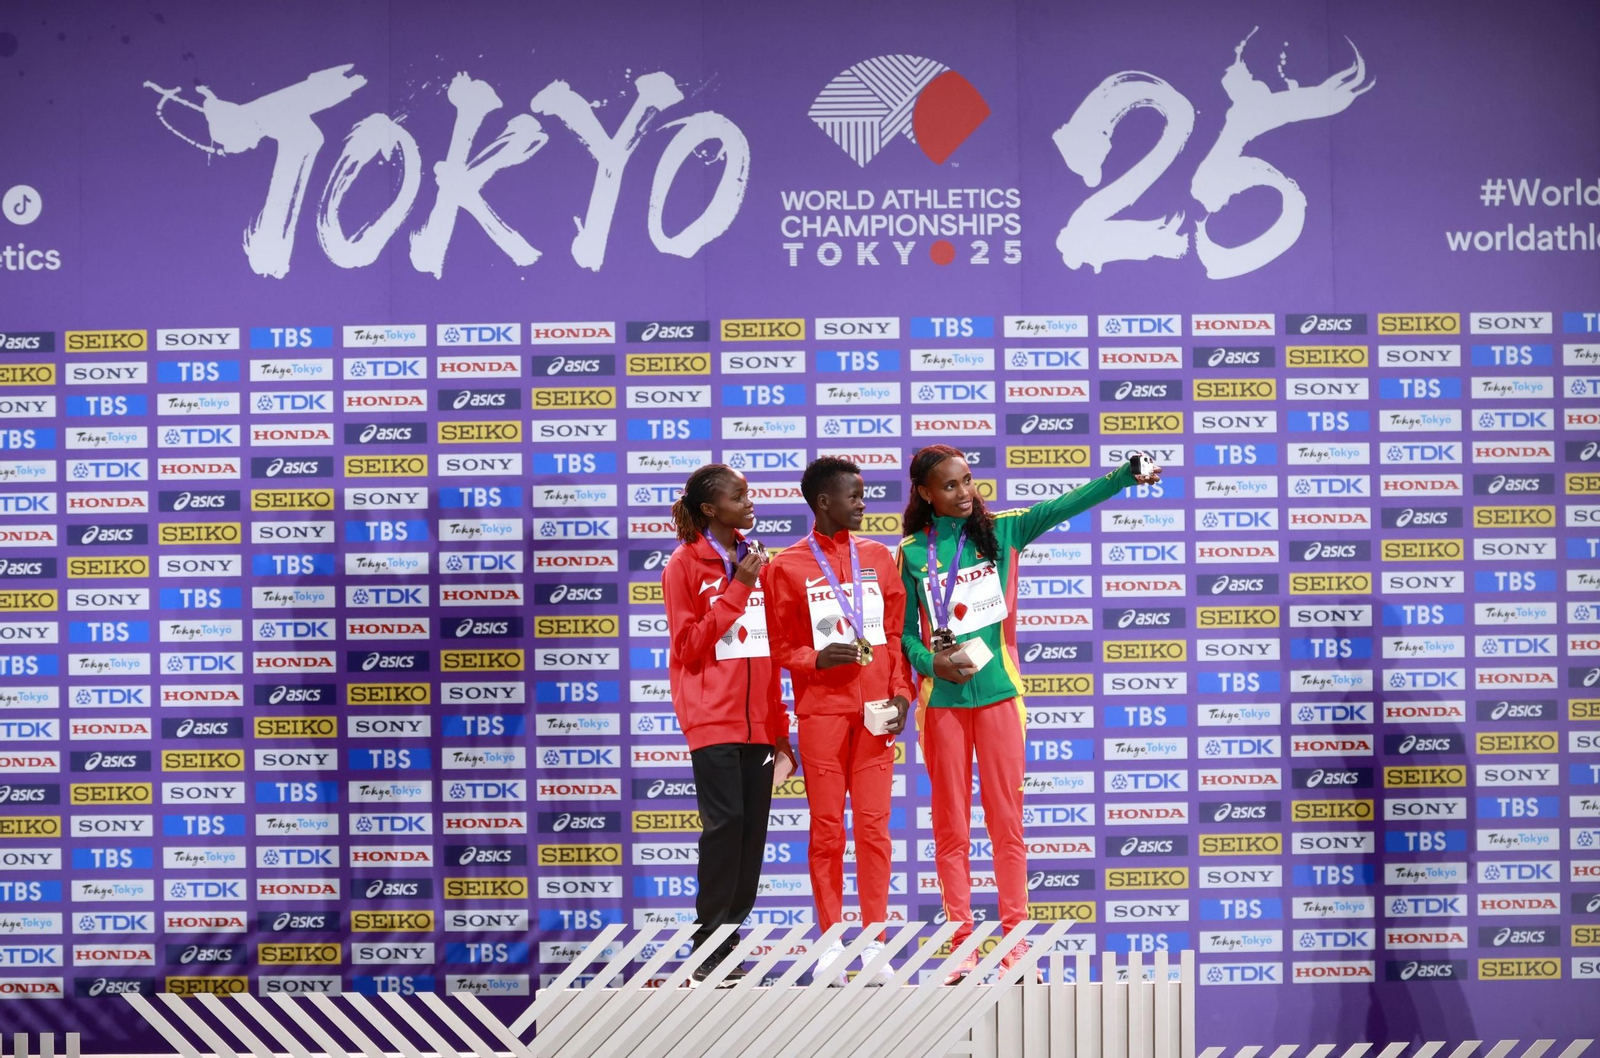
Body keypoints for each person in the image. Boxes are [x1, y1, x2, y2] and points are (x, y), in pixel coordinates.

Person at [898, 446, 1162, 983]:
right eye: (950, 486)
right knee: (950, 828)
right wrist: (932, 662)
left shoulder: (1007, 531)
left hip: (1000, 699)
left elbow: (1070, 502)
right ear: (926, 493)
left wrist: (1123, 475)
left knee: (1007, 826)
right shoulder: (909, 553)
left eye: (968, 480)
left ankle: (1016, 949)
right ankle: (961, 948)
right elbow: (904, 634)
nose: (965, 491)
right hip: (942, 704)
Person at [765, 456, 913, 985]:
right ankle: (830, 943)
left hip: (876, 715)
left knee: (874, 831)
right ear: (824, 502)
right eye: (854, 495)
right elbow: (778, 646)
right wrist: (814, 660)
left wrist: (902, 695)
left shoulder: (878, 557)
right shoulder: (785, 565)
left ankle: (875, 942)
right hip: (823, 714)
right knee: (827, 832)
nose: (864, 503)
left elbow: (894, 636)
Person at [662, 463, 795, 987]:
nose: (750, 501)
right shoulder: (684, 565)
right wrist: (737, 589)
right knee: (725, 830)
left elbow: (769, 652)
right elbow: (689, 646)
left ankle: (728, 944)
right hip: (712, 720)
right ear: (711, 510)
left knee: (751, 836)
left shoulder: (757, 558)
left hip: (759, 724)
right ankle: (708, 945)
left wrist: (781, 731)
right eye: (738, 495)